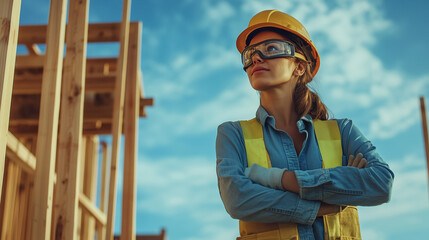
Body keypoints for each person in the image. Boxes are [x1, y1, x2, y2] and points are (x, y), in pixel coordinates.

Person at [215, 9, 394, 240]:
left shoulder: (343, 131)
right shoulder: (232, 134)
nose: (257, 58)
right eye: (251, 54)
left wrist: (281, 180)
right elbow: (237, 199)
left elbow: (381, 183)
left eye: (271, 48)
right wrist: (328, 199)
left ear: (299, 67)